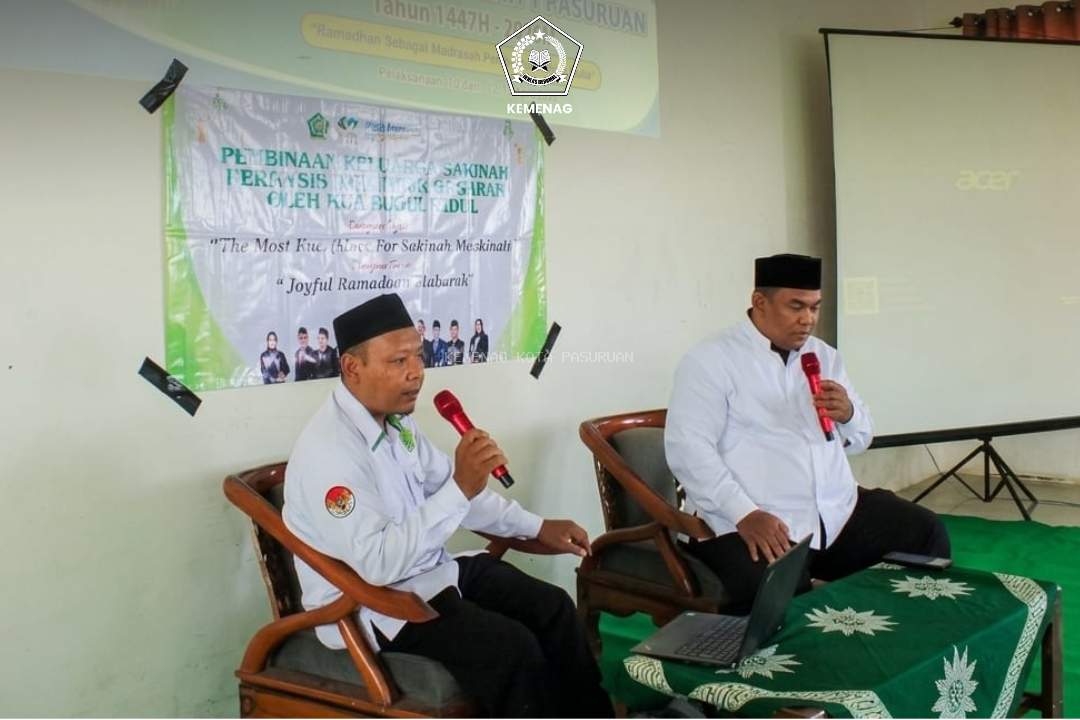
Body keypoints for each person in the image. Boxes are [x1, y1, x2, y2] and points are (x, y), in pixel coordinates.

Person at [282, 293, 613, 718]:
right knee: (511, 649)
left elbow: (461, 493)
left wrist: (536, 526)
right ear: (352, 367)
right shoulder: (330, 453)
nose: (416, 374)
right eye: (398, 362)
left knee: (553, 609)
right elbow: (379, 565)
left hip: (428, 576)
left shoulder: (398, 424)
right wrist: (460, 486)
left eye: (418, 357)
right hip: (373, 606)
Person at [664, 254, 950, 612]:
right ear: (759, 302)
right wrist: (744, 513)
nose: (808, 320)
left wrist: (848, 414)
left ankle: (906, 638)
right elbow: (688, 450)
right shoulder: (710, 360)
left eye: (815, 307)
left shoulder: (825, 357)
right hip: (754, 519)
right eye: (796, 306)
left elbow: (861, 439)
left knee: (923, 531)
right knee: (775, 593)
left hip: (835, 511)